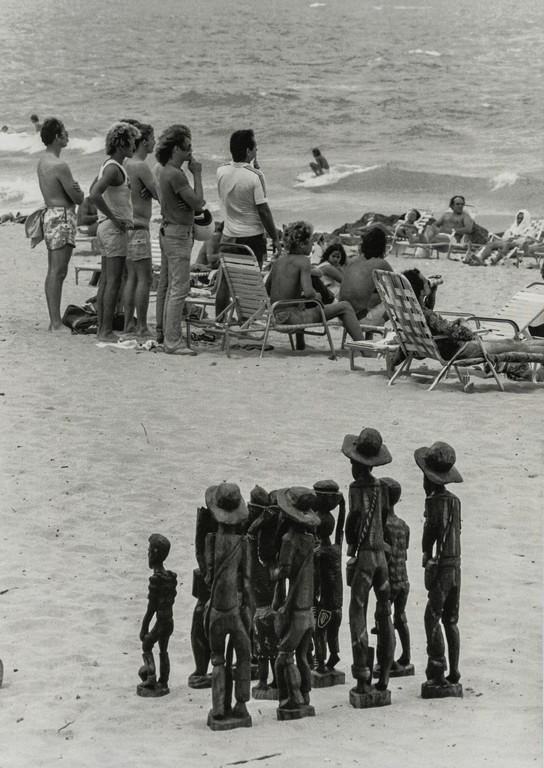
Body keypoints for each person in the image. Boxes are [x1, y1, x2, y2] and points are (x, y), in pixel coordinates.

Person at [342, 428, 395, 702]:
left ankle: (363, 676)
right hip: (381, 558)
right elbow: (383, 517)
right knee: (385, 614)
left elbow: (353, 521)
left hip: (364, 557)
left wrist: (351, 541)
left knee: (358, 612)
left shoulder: (356, 489)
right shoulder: (382, 487)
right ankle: (384, 676)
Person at [402, 267, 544, 363]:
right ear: (421, 292)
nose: (429, 281)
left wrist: (432, 291)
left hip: (448, 348)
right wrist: (464, 324)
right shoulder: (425, 315)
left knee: (512, 343)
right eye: (426, 282)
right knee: (516, 346)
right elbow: (453, 331)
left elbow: (428, 314)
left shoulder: (410, 311)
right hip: (460, 349)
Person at [415, 442, 463, 696]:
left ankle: (437, 670)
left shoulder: (434, 503)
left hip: (443, 567)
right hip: (456, 566)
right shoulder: (455, 501)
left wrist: (426, 554)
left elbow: (429, 534)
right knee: (451, 620)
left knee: (431, 617)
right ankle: (454, 670)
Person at [267, 220, 365, 344]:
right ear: (302, 244)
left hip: (276, 317)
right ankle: (364, 349)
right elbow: (309, 293)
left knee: (300, 304)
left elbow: (267, 288)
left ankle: (300, 345)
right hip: (292, 320)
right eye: (310, 242)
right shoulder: (303, 261)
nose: (312, 245)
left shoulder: (278, 262)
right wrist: (316, 295)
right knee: (345, 306)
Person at [155, 124, 204, 355]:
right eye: (187, 148)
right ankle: (172, 340)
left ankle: (166, 334)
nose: (190, 152)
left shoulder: (164, 170)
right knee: (179, 289)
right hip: (178, 234)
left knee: (169, 286)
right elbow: (197, 203)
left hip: (168, 230)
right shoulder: (175, 173)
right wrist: (198, 174)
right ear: (176, 149)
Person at [90, 122, 139, 341]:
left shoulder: (108, 165)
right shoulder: (113, 168)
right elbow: (94, 194)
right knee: (114, 281)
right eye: (132, 141)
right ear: (121, 144)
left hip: (105, 228)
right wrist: (115, 219)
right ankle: (105, 330)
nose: (134, 145)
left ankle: (102, 328)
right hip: (112, 230)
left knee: (106, 281)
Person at [36, 117, 84, 330]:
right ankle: (55, 322)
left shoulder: (43, 161)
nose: (68, 136)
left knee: (53, 270)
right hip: (62, 216)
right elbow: (78, 198)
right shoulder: (60, 165)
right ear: (57, 137)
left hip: (50, 214)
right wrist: (79, 190)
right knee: (58, 271)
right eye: (64, 132)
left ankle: (53, 319)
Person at [217, 129, 281, 267]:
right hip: (251, 240)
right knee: (250, 279)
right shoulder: (255, 176)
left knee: (232, 279)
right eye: (255, 147)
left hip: (228, 237)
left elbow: (239, 175)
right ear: (248, 151)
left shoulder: (221, 171)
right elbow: (263, 211)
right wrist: (275, 238)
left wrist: (253, 164)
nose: (256, 149)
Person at [119, 119, 158, 340]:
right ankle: (142, 325)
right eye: (152, 138)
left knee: (131, 277)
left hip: (126, 226)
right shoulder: (140, 165)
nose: (155, 143)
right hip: (140, 226)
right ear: (144, 141)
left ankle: (128, 323)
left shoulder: (125, 164)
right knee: (144, 278)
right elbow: (159, 192)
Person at [137, 533, 177, 697]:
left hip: (161, 621)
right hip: (169, 620)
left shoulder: (156, 579)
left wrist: (145, 625)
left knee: (147, 644)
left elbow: (151, 607)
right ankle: (164, 680)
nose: (147, 554)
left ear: (154, 553)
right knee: (163, 650)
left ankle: (152, 677)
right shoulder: (170, 577)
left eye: (149, 551)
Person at [339, 228, 394, 322]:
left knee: (375, 295)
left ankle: (369, 333)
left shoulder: (353, 261)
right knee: (395, 299)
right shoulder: (381, 263)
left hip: (342, 314)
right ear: (382, 246)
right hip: (359, 317)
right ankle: (376, 325)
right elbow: (397, 284)